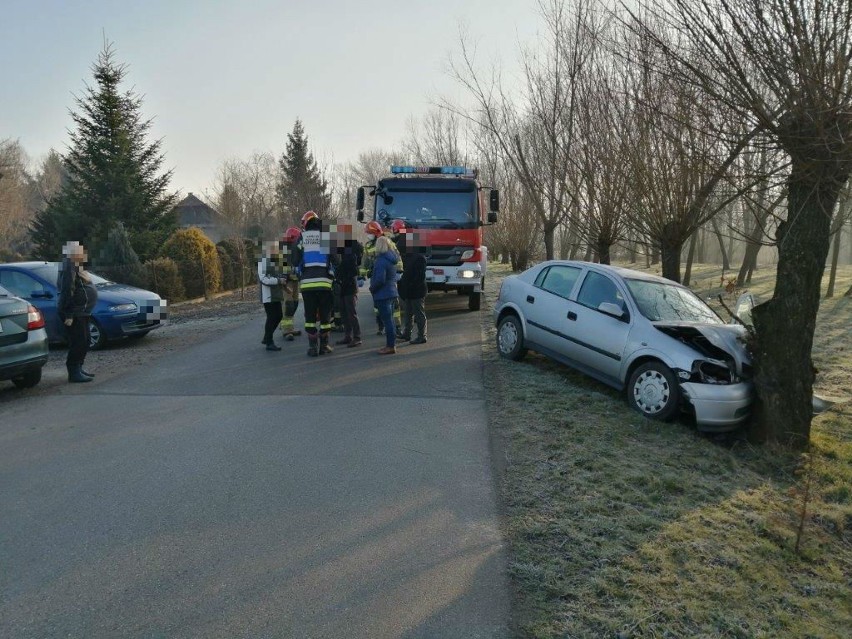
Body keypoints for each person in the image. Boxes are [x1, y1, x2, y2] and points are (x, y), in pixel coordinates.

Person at [57, 241, 97, 383]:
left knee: (85, 341)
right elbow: (67, 290)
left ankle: (79, 367)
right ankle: (73, 372)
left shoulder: (77, 266)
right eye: (80, 251)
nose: (83, 254)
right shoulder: (69, 266)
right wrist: (68, 314)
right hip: (74, 312)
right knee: (78, 342)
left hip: (83, 311)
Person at [297, 211, 335, 357]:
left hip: (307, 285)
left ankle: (312, 348)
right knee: (325, 316)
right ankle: (324, 346)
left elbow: (294, 259)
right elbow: (335, 259)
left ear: (306, 224)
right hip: (324, 284)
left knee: (310, 317)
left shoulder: (302, 238)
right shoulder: (325, 237)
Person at [369, 235, 399, 355]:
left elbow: (380, 279)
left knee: (387, 321)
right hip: (391, 292)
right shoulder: (391, 258)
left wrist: (372, 288)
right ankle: (392, 343)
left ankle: (390, 346)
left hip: (383, 294)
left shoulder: (381, 260)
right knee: (390, 320)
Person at [334, 225, 363, 347]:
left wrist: (339, 270)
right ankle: (347, 335)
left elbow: (352, 267)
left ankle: (357, 337)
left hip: (350, 283)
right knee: (343, 311)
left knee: (351, 311)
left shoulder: (351, 249)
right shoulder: (341, 249)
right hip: (342, 283)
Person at [398, 229, 428, 344]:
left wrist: (409, 284)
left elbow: (419, 277)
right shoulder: (408, 256)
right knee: (408, 313)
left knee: (419, 314)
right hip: (409, 290)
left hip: (417, 290)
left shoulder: (420, 257)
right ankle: (407, 334)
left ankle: (422, 336)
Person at [258, 240, 286, 351]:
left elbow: (278, 276)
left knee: (278, 316)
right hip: (267, 295)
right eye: (275, 248)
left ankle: (267, 338)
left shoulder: (275, 261)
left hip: (276, 294)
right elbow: (263, 279)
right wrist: (278, 280)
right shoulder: (263, 261)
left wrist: (283, 283)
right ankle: (269, 342)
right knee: (271, 318)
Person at [279, 226, 303, 341]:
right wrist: (283, 279)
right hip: (286, 282)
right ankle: (286, 330)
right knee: (288, 304)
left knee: (295, 303)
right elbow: (281, 266)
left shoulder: (297, 248)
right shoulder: (283, 250)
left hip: (295, 281)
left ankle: (289, 327)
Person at [362, 220, 385, 335]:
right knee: (376, 303)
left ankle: (391, 325)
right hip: (374, 277)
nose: (368, 235)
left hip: (385, 277)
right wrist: (362, 274)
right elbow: (364, 261)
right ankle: (380, 325)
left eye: (369, 233)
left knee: (388, 301)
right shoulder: (368, 245)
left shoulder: (385, 242)